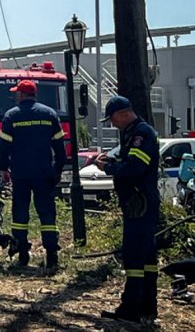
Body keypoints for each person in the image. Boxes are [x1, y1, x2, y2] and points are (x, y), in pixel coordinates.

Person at [94, 96, 160, 323]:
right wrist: (112, 158)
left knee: (133, 257)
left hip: (139, 204)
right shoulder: (133, 133)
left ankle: (131, 310)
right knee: (147, 257)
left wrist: (108, 167)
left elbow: (135, 168)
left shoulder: (141, 134)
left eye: (112, 119)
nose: (113, 124)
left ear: (123, 113)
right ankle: (147, 308)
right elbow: (128, 157)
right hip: (140, 203)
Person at [0, 79, 68, 269]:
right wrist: (59, 169)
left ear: (21, 95)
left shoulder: (11, 116)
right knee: (47, 215)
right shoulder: (49, 114)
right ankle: (52, 256)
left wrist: (4, 168)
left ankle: (22, 255)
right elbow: (60, 147)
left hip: (20, 174)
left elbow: (4, 147)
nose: (15, 96)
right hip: (44, 173)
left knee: (20, 214)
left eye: (16, 93)